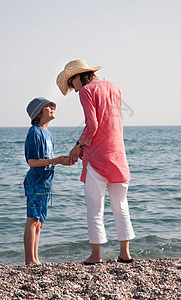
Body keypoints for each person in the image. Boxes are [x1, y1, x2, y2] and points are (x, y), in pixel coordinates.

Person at [56, 60, 135, 265]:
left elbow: (92, 125)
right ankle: (125, 254)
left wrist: (77, 146)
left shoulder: (86, 91)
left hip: (98, 157)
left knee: (94, 207)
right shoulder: (114, 87)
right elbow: (110, 123)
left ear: (78, 76)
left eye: (71, 83)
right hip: (117, 154)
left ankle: (95, 255)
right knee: (121, 206)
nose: (73, 89)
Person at [23, 97, 72, 265]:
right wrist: (55, 160)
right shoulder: (34, 132)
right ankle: (30, 260)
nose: (52, 108)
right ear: (38, 113)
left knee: (40, 223)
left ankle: (35, 259)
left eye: (53, 106)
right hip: (36, 181)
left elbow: (48, 159)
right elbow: (32, 162)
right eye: (48, 106)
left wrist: (62, 160)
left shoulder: (48, 134)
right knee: (33, 220)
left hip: (45, 183)